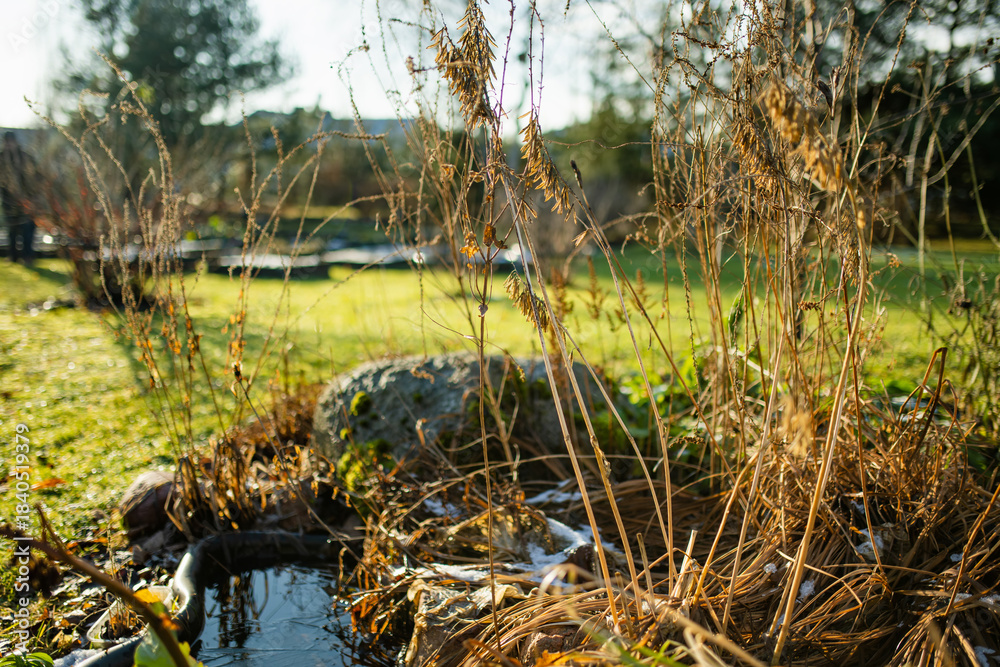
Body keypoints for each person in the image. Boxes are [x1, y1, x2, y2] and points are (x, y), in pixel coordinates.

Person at [0, 131, 37, 264]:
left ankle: (28, 256)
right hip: (8, 201)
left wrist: (31, 198)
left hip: (26, 200)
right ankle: (13, 256)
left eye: (10, 142)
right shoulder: (2, 158)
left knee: (27, 230)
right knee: (12, 231)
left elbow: (35, 179)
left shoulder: (25, 158)